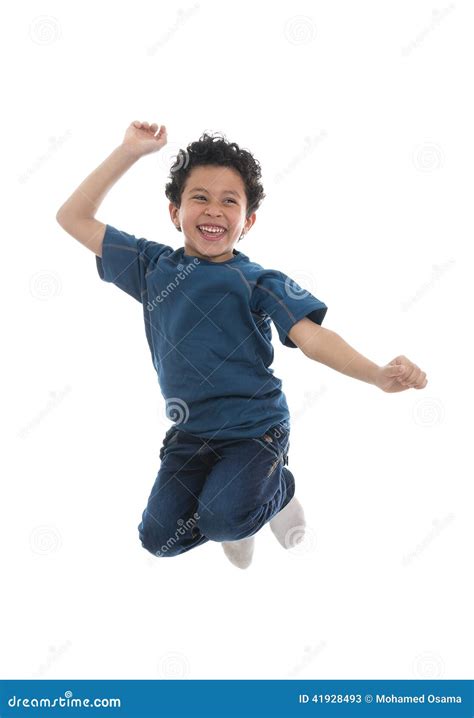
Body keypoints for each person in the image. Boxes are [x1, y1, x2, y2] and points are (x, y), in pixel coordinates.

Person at [56, 120, 428, 570]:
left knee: (223, 519)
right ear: (175, 212)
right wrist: (129, 152)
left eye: (229, 201)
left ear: (247, 221)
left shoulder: (256, 281)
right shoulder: (150, 267)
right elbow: (71, 218)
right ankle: (236, 513)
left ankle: (271, 494)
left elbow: (313, 339)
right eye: (200, 198)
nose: (214, 211)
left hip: (255, 431)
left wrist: (377, 374)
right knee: (157, 539)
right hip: (191, 435)